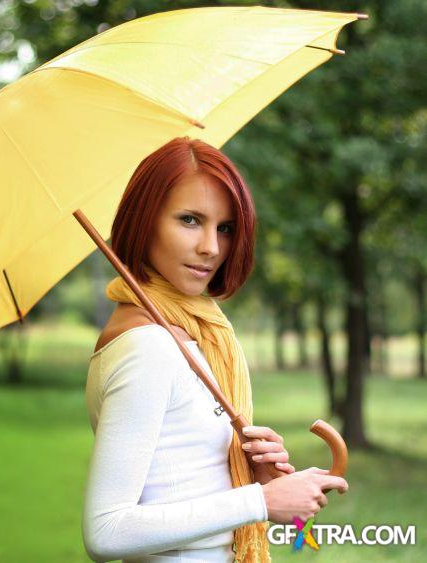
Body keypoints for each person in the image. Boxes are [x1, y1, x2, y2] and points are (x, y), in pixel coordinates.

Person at [82, 137, 348, 562]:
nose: (211, 247)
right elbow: (106, 530)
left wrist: (255, 478)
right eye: (190, 220)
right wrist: (259, 503)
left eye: (224, 228)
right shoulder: (148, 347)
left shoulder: (189, 335)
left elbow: (179, 481)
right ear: (144, 220)